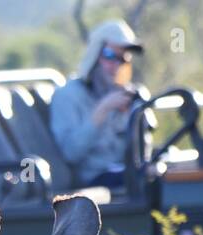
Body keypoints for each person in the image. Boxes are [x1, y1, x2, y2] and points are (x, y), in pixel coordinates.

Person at [49, 19, 146, 189]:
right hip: (93, 181)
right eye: (109, 56)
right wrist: (102, 110)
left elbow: (142, 152)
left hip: (126, 173)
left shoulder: (125, 95)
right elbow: (70, 153)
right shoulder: (67, 95)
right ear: (94, 54)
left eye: (122, 59)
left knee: (167, 175)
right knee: (146, 182)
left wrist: (134, 116)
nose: (115, 65)